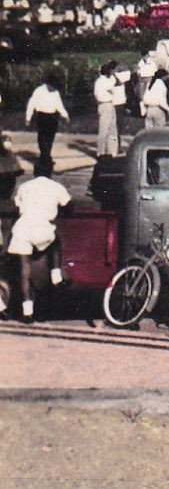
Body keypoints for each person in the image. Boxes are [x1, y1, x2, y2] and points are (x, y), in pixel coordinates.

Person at [8, 163, 71, 322]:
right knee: (55, 240)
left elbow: (17, 207)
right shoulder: (57, 187)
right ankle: (56, 277)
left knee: (25, 271)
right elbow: (69, 207)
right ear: (50, 172)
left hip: (23, 228)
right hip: (43, 227)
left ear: (35, 172)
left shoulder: (24, 186)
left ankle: (27, 312)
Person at [24, 72, 69, 175]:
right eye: (51, 86)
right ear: (47, 84)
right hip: (42, 116)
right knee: (42, 138)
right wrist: (28, 117)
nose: (53, 89)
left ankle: (46, 156)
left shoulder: (56, 92)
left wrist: (65, 115)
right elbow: (31, 104)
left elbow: (59, 105)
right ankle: (45, 158)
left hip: (52, 117)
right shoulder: (39, 91)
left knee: (50, 138)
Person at [92, 61, 124, 157]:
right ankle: (101, 151)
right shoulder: (101, 81)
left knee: (113, 129)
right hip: (104, 105)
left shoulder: (107, 80)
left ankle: (112, 151)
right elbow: (113, 86)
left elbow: (117, 83)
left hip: (110, 105)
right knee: (104, 129)